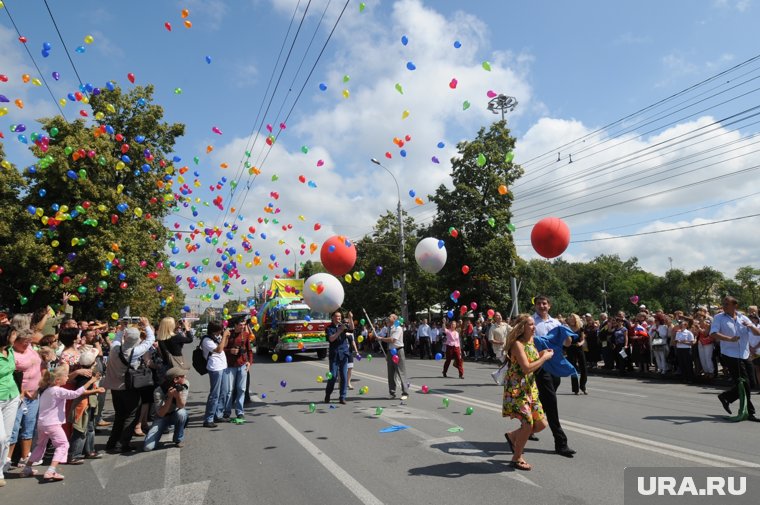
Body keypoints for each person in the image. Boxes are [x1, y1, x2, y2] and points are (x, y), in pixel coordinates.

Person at [20, 365, 103, 482]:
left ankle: (27, 468)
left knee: (40, 445)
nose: (67, 378)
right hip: (52, 424)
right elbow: (75, 394)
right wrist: (91, 381)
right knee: (63, 445)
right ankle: (51, 471)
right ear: (57, 380)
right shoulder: (58, 391)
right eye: (65, 376)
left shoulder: (46, 390)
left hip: (42, 423)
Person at [502, 314, 552, 471]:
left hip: (530, 388)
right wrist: (545, 358)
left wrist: (542, 354)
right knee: (527, 424)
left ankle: (513, 436)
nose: (534, 327)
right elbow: (526, 368)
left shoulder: (531, 342)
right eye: (530, 324)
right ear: (522, 327)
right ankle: (516, 458)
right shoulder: (517, 344)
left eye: (533, 324)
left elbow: (532, 362)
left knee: (542, 423)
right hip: (517, 388)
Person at [101, 319, 155, 453]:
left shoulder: (115, 349)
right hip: (128, 387)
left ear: (125, 337)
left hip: (114, 388)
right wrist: (147, 325)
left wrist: (121, 328)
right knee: (131, 415)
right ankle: (122, 443)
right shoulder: (135, 351)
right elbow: (150, 340)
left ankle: (111, 442)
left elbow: (118, 339)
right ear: (137, 339)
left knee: (119, 416)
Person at [532, 295, 576, 457]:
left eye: (544, 303)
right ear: (535, 306)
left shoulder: (556, 323)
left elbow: (567, 343)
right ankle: (561, 443)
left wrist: (567, 334)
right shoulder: (531, 321)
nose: (541, 306)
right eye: (538, 304)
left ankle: (528, 427)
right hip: (540, 365)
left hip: (555, 366)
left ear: (549, 306)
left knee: (542, 401)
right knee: (551, 402)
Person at [711, 296, 760, 421]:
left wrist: (750, 326)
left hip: (744, 354)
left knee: (751, 383)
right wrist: (729, 339)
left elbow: (757, 333)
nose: (724, 306)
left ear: (735, 305)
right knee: (743, 383)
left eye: (727, 304)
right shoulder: (719, 318)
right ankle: (750, 412)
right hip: (730, 354)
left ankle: (726, 396)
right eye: (724, 303)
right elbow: (713, 333)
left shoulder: (743, 317)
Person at [7, 329, 41, 468]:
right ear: (15, 341)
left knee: (29, 425)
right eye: (24, 342)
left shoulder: (30, 348)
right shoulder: (11, 353)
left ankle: (25, 456)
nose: (27, 344)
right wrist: (23, 391)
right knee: (13, 428)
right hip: (19, 395)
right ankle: (7, 459)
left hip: (34, 394)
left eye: (29, 342)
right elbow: (12, 376)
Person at [143, 367, 189, 451]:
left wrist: (178, 395)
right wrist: (170, 397)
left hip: (175, 414)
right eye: (182, 375)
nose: (185, 377)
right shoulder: (158, 391)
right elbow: (161, 414)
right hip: (162, 417)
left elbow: (181, 405)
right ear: (175, 379)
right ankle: (163, 428)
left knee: (182, 413)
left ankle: (178, 438)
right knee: (147, 447)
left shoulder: (185, 384)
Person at [1, 325, 21, 487]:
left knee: (7, 437)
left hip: (12, 396)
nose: (16, 336)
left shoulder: (11, 351)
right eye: (14, 334)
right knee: (0, 438)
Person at [221, 319, 253, 421]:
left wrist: (249, 362)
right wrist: (230, 351)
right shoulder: (228, 334)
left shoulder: (246, 335)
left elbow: (249, 350)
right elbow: (221, 350)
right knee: (229, 390)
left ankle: (240, 412)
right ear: (235, 325)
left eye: (243, 325)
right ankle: (227, 411)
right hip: (230, 366)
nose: (242, 327)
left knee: (241, 389)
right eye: (240, 325)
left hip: (242, 365)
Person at [202, 321, 229, 428]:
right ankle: (208, 418)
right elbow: (219, 349)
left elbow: (224, 345)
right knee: (214, 394)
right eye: (220, 329)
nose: (221, 331)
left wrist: (225, 337)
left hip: (223, 366)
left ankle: (218, 414)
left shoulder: (216, 337)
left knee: (224, 391)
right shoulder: (206, 339)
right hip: (215, 368)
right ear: (214, 330)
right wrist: (224, 335)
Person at [376, 314, 409, 400]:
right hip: (391, 351)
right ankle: (392, 392)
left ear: (394, 319)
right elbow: (389, 343)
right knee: (391, 373)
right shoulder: (389, 328)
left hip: (398, 351)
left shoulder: (398, 328)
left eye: (390, 317)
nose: (388, 318)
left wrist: (381, 338)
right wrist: (387, 353)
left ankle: (405, 392)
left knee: (401, 372)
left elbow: (392, 340)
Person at [324, 310, 353, 405]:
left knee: (344, 377)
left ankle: (342, 397)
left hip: (344, 354)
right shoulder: (329, 328)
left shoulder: (344, 326)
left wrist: (350, 318)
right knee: (333, 376)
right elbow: (331, 339)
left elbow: (352, 328)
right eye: (337, 316)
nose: (339, 318)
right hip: (334, 355)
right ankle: (328, 393)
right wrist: (339, 331)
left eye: (340, 317)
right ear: (332, 318)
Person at [565, 314, 588, 395]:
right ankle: (575, 389)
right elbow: (565, 340)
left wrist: (580, 343)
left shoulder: (580, 328)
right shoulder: (567, 328)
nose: (571, 319)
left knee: (584, 368)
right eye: (570, 318)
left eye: (572, 318)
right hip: (570, 348)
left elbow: (583, 339)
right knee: (573, 368)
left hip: (579, 348)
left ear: (576, 319)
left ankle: (583, 386)